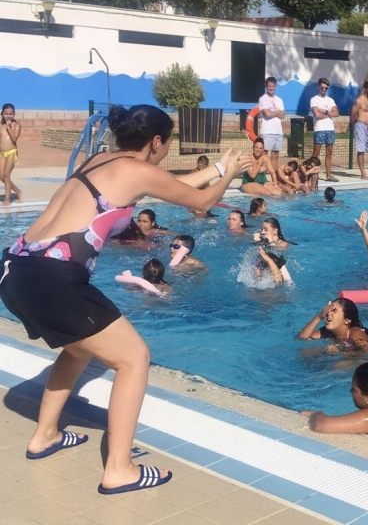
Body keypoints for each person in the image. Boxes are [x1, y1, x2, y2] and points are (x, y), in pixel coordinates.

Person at [0, 104, 248, 494]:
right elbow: (199, 202)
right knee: (134, 358)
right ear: (155, 141)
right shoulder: (139, 171)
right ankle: (119, 469)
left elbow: (169, 181)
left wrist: (217, 168)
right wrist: (229, 176)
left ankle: (44, 435)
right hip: (53, 278)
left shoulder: (102, 158)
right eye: (168, 143)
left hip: (15, 269)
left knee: (78, 348)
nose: (167, 150)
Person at [297, 297, 368, 352]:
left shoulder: (355, 333)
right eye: (328, 310)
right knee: (306, 352)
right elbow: (302, 338)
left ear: (347, 320)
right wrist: (319, 316)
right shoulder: (326, 332)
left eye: (334, 311)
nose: (328, 313)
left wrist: (341, 352)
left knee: (339, 365)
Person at [309, 77, 339, 183]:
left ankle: (328, 175)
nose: (324, 90)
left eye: (326, 88)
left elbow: (337, 113)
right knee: (315, 154)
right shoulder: (314, 99)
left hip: (330, 129)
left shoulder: (330, 100)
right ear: (318, 87)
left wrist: (325, 112)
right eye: (322, 88)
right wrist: (329, 114)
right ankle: (309, 173)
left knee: (329, 152)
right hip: (319, 129)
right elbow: (316, 114)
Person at [258, 76, 286, 174]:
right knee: (264, 153)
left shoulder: (279, 100)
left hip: (278, 131)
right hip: (267, 131)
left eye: (273, 86)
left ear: (275, 87)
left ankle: (272, 174)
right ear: (266, 86)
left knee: (275, 154)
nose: (271, 88)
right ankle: (262, 172)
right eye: (269, 86)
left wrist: (273, 113)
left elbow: (283, 115)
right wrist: (277, 112)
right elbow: (267, 114)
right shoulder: (263, 99)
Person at [0, 102, 23, 204]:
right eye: (6, 114)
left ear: (14, 114)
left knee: (6, 175)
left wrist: (8, 127)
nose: (8, 116)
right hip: (1, 153)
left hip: (11, 152)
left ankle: (7, 199)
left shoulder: (16, 125)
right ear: (2, 114)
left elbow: (14, 139)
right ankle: (17, 191)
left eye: (11, 114)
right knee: (1, 177)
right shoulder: (0, 125)